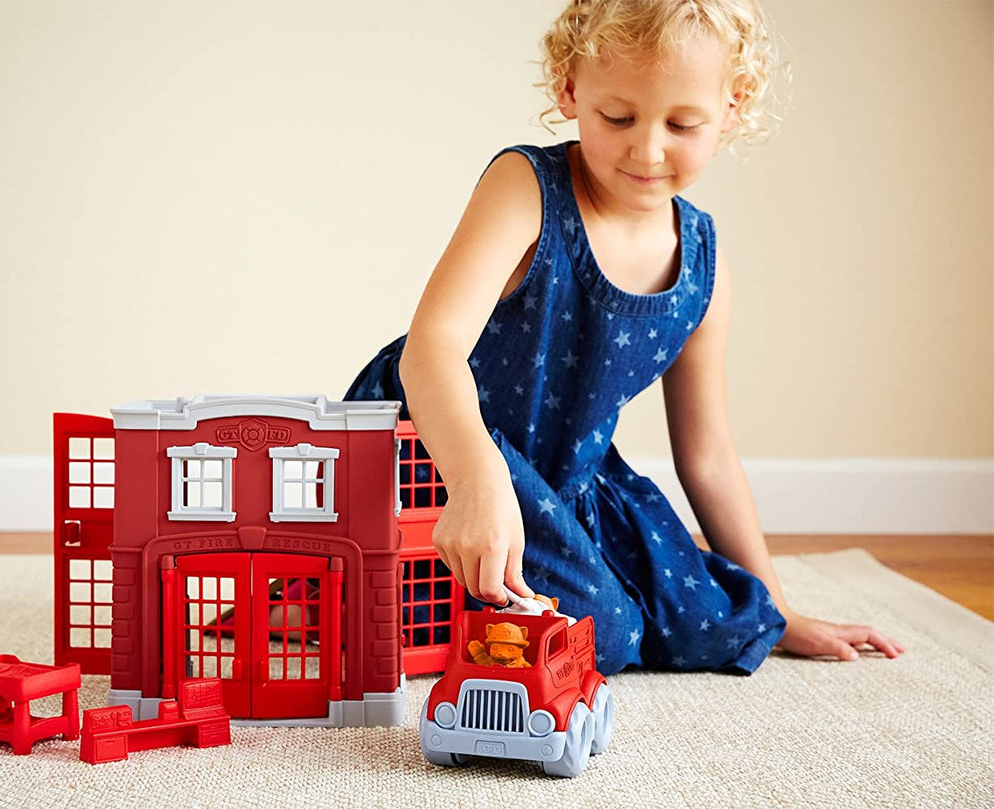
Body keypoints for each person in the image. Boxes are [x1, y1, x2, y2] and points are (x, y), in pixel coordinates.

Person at [346, 0, 903, 674]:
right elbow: (428, 351)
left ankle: (473, 593)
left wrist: (779, 611)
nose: (647, 148)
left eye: (683, 123)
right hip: (435, 440)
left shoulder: (701, 260)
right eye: (618, 117)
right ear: (570, 88)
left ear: (733, 106)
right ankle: (351, 598)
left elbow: (708, 455)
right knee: (601, 634)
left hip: (568, 476)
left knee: (716, 625)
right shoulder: (526, 187)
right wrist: (475, 478)